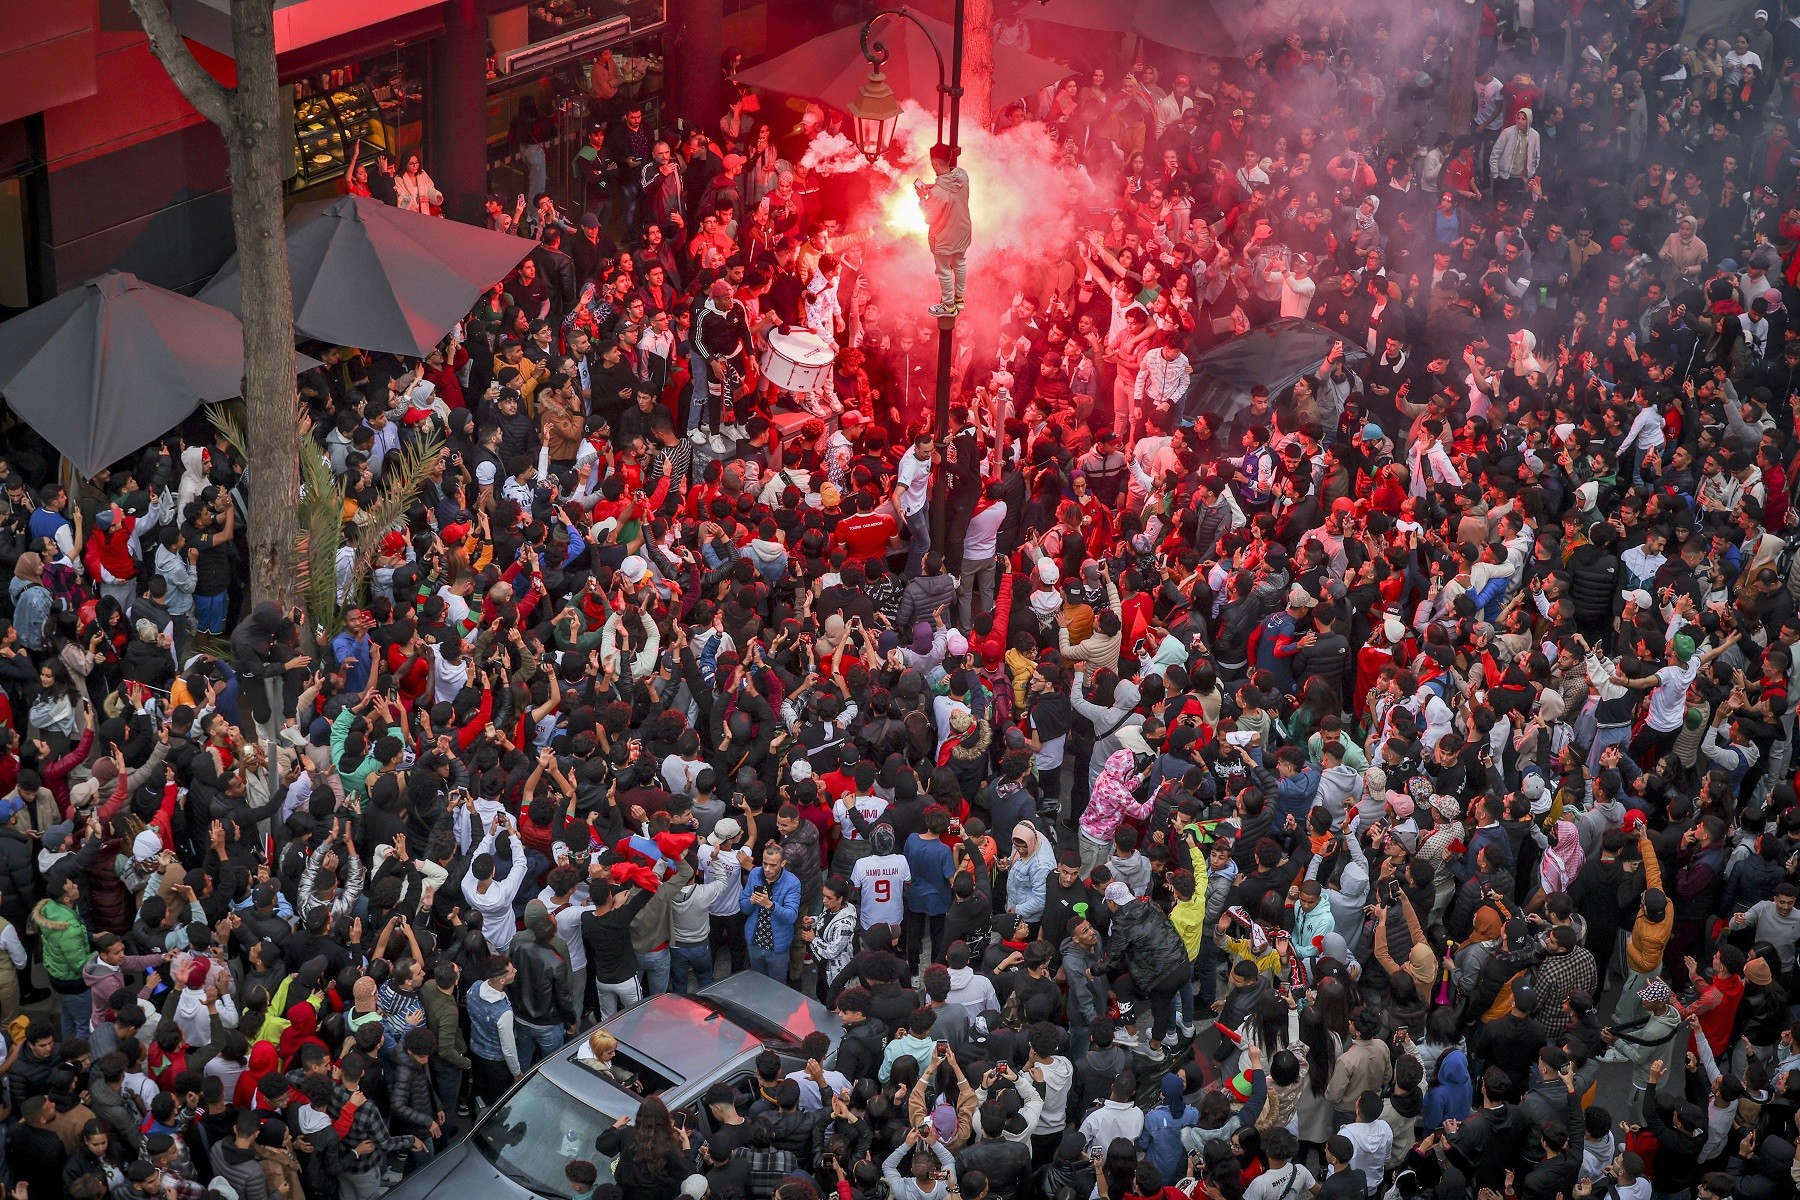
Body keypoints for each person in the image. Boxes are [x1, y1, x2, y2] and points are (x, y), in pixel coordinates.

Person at [917, 144, 973, 317]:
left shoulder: (939, 193)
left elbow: (928, 217)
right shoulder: (962, 175)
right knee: (960, 263)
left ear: (934, 162)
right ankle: (959, 300)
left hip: (944, 237)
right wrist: (933, 186)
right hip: (962, 231)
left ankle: (948, 306)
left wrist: (922, 198)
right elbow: (949, 184)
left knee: (944, 271)